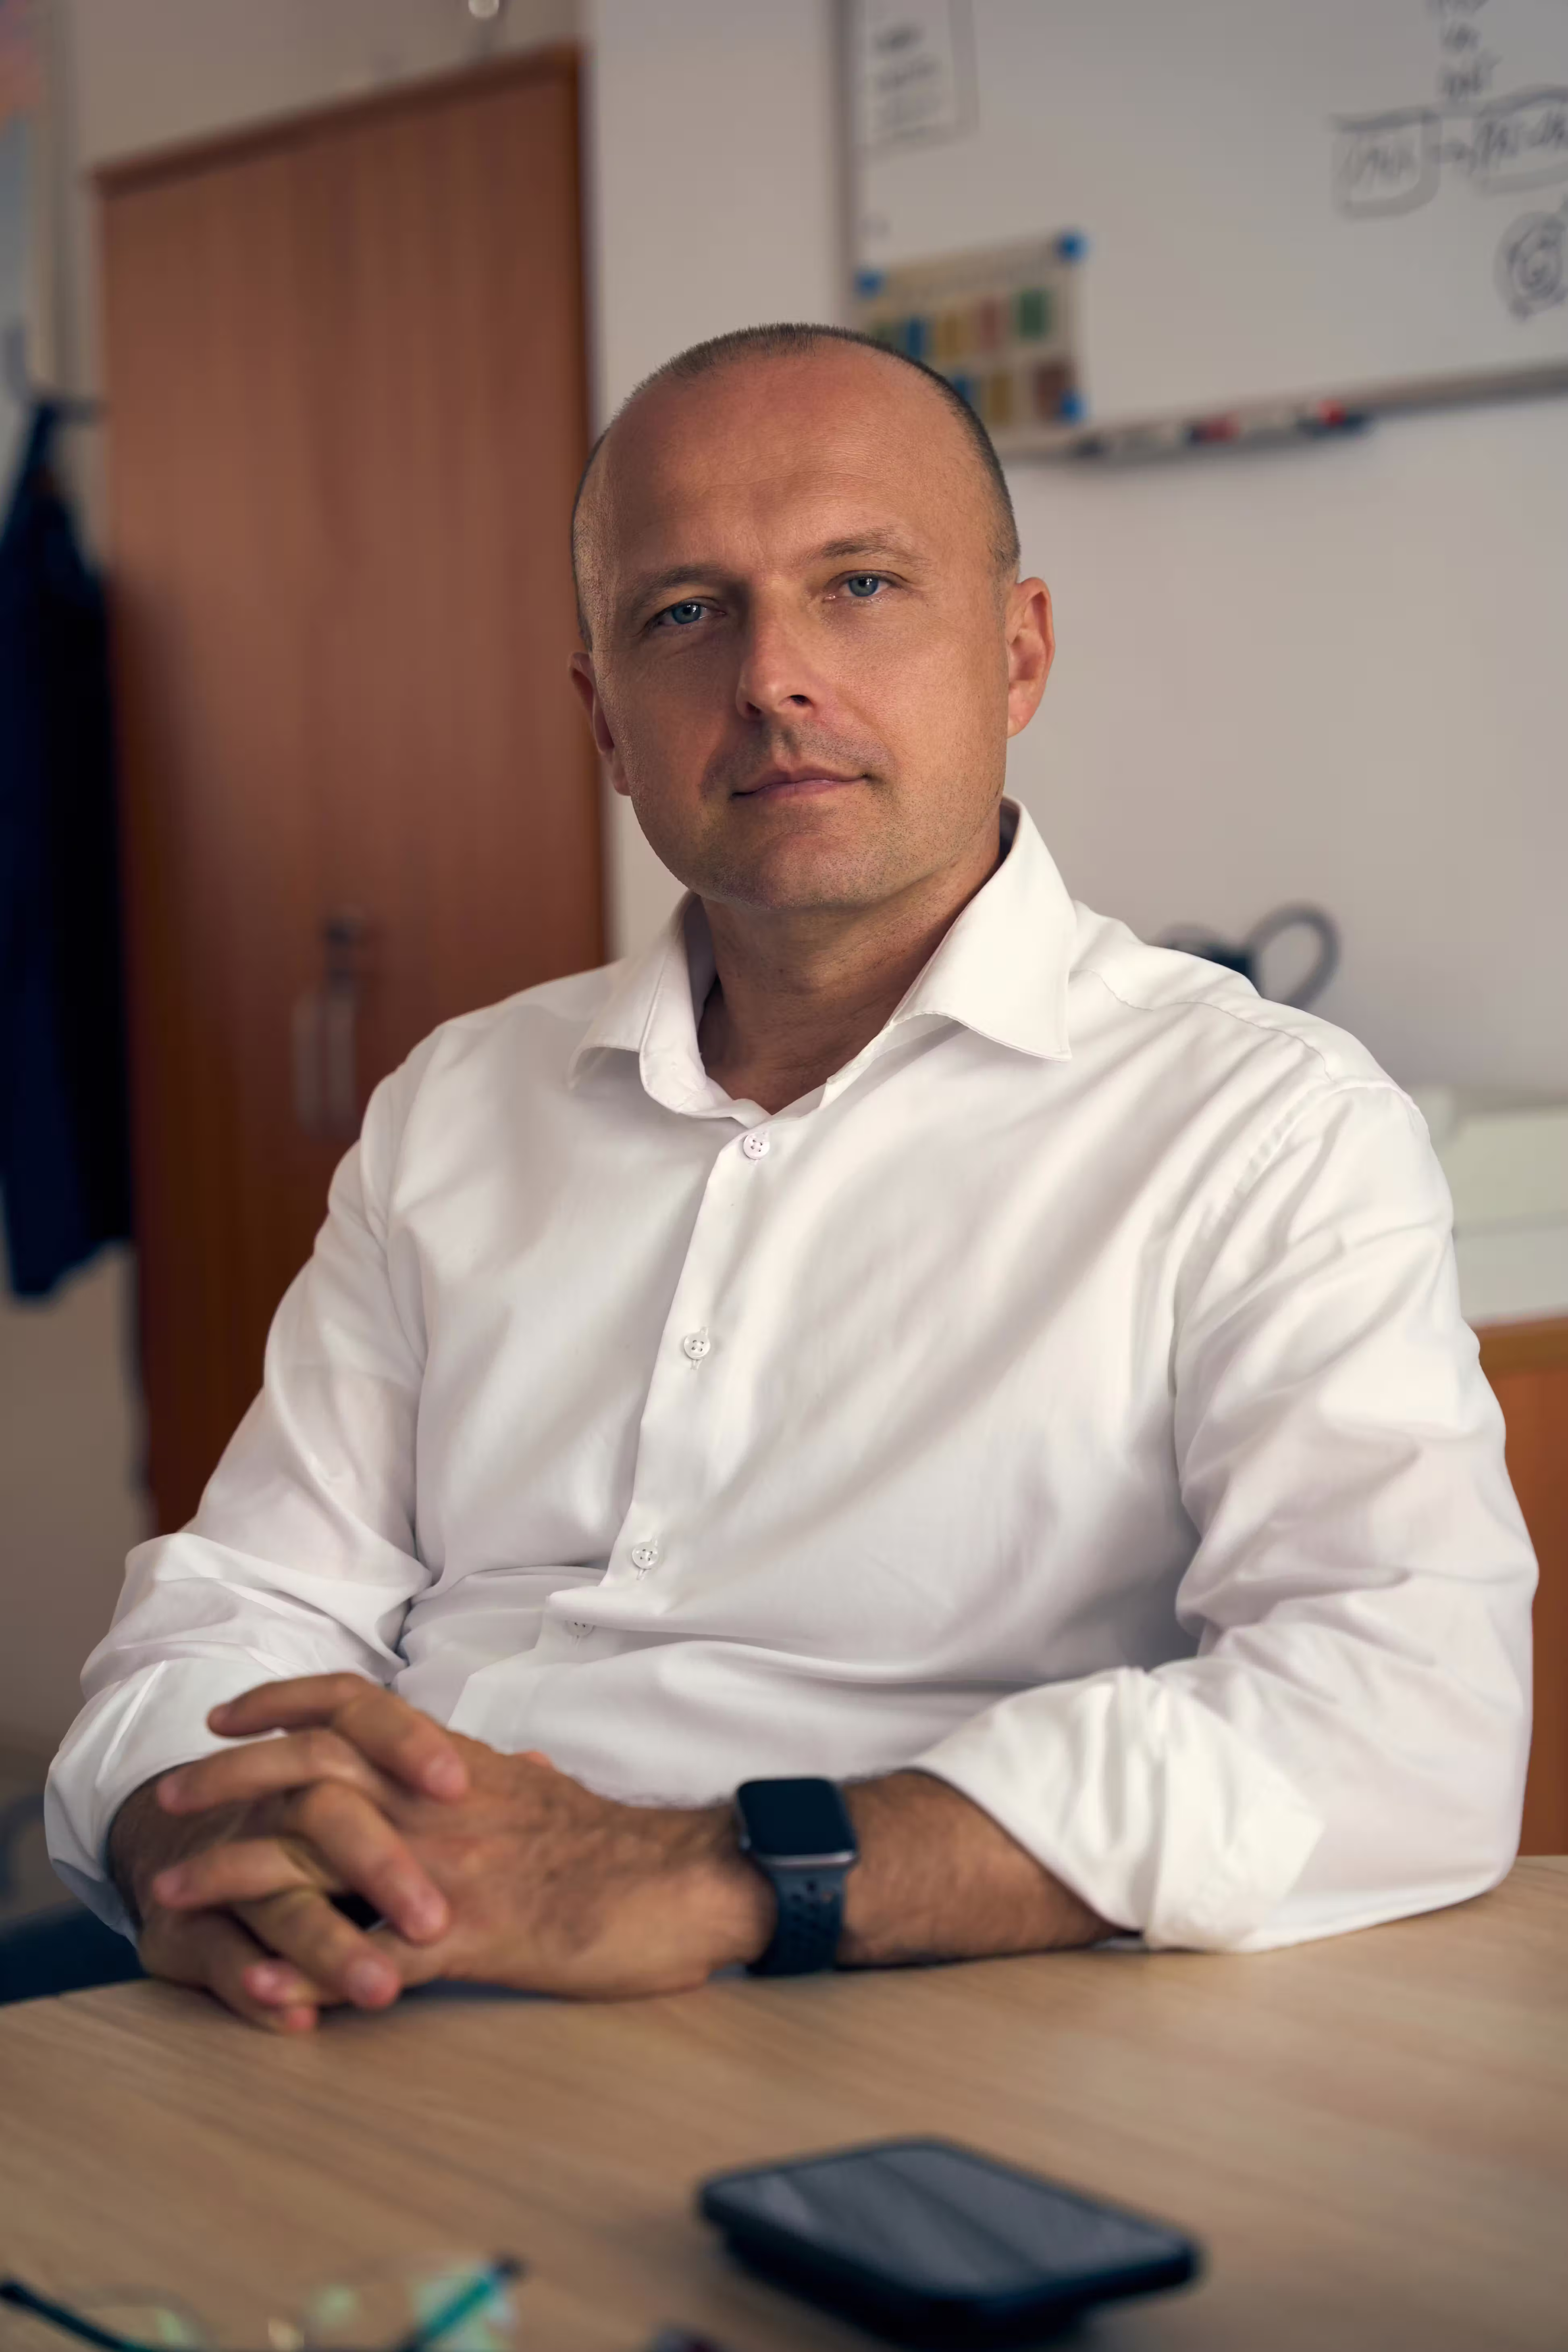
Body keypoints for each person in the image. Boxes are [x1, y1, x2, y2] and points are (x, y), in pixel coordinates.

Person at [42, 325, 1533, 2033]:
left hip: (888, 2018)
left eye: (863, 586)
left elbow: (1406, 1716)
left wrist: (715, 1874)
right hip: (372, 1988)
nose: (771, 678)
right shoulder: (458, 1107)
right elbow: (247, 1603)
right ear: (605, 718)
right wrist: (197, 1826)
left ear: (1019, 652)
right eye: (686, 614)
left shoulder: (1261, 1127)